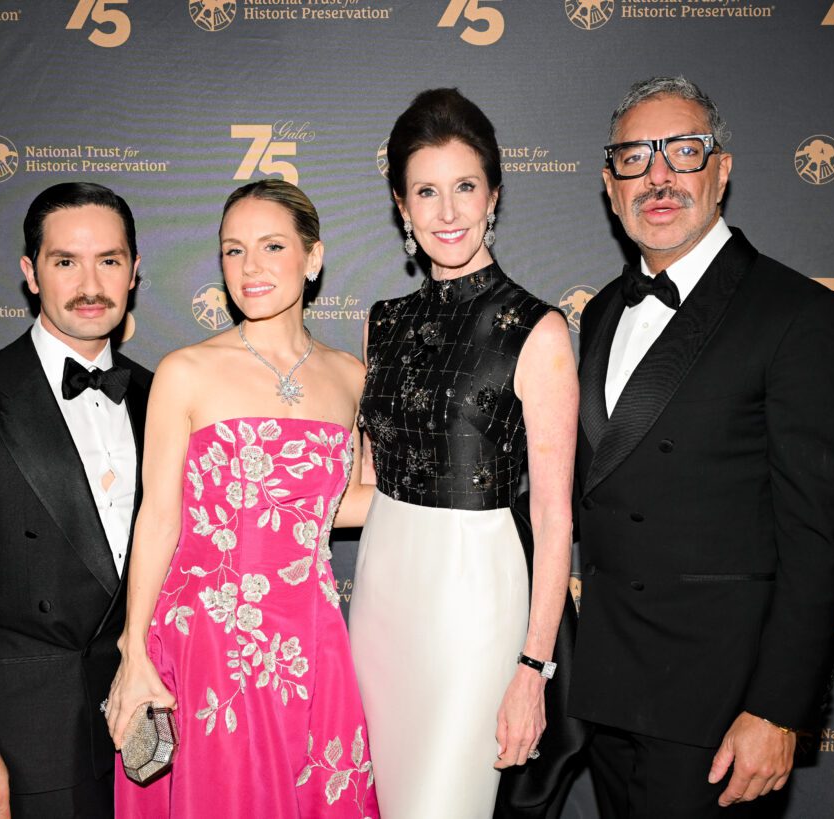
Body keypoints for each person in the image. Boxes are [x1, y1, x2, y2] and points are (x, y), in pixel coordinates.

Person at [570, 76, 834, 818]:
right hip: (612, 692)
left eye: (684, 150)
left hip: (722, 708)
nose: (660, 176)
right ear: (611, 188)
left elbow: (817, 539)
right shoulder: (603, 312)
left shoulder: (800, 316)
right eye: (636, 158)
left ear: (722, 170)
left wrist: (777, 710)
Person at [106, 179, 379, 819]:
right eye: (233, 251)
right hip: (206, 638)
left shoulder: (352, 377)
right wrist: (134, 648)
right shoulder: (186, 371)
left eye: (271, 246)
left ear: (313, 259)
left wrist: (455, 494)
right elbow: (159, 517)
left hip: (313, 636)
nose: (250, 268)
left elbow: (340, 504)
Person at [347, 88, 581, 818]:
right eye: (426, 191)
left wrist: (531, 668)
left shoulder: (536, 331)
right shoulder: (380, 324)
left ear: (493, 195)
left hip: (479, 606)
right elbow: (364, 485)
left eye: (465, 188)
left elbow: (552, 517)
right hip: (382, 598)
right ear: (401, 205)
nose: (447, 212)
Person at [0, 182, 152, 819]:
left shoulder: (162, 395)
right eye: (66, 261)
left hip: (148, 728)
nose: (90, 283)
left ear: (134, 270)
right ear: (30, 273)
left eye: (110, 260)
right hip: (23, 738)